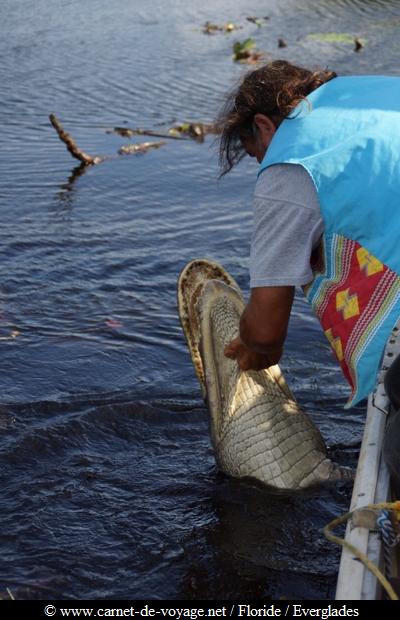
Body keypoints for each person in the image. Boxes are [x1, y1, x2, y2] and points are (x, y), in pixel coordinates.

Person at [216, 59, 400, 490]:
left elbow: (264, 335)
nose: (264, 162)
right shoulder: (372, 93)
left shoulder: (290, 161)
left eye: (255, 151)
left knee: (397, 453)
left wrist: (250, 344)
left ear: (264, 125)